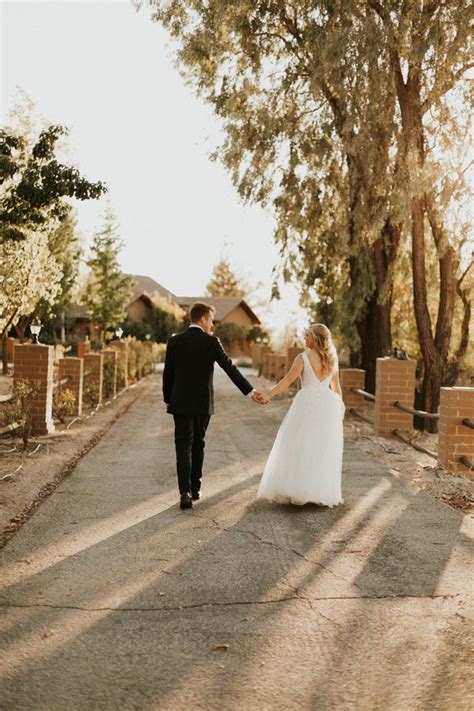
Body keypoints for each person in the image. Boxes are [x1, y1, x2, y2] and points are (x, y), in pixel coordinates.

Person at [163, 301, 265, 509]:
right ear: (202, 319)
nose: (212, 325)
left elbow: (168, 373)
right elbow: (230, 368)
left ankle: (184, 493)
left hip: (180, 402)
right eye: (210, 320)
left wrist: (168, 397)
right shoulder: (211, 342)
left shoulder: (174, 342)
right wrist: (250, 391)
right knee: (198, 442)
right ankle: (195, 487)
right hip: (202, 403)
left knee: (183, 446)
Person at [257, 324, 344, 507]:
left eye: (307, 336)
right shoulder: (332, 358)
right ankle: (317, 490)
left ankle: (298, 489)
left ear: (315, 338)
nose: (305, 339)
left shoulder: (303, 357)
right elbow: (336, 389)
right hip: (328, 405)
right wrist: (339, 408)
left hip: (306, 403)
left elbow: (288, 380)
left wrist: (268, 395)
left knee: (300, 443)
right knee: (321, 447)